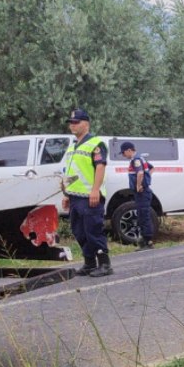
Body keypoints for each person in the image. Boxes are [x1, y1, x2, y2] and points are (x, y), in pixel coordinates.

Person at [61, 108, 111, 277]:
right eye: (71, 123)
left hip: (90, 196)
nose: (72, 126)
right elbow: (71, 172)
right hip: (75, 196)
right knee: (79, 231)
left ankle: (104, 264)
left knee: (93, 230)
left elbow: (100, 167)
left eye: (76, 122)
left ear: (86, 124)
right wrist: (66, 194)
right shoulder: (73, 145)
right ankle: (89, 263)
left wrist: (95, 190)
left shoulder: (96, 143)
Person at [120, 141, 154, 250]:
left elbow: (140, 173)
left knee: (144, 216)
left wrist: (139, 185)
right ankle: (145, 241)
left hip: (142, 192)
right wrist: (147, 179)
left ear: (129, 150)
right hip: (143, 192)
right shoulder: (140, 158)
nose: (123, 155)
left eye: (124, 153)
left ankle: (148, 242)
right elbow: (151, 168)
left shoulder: (136, 160)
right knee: (142, 215)